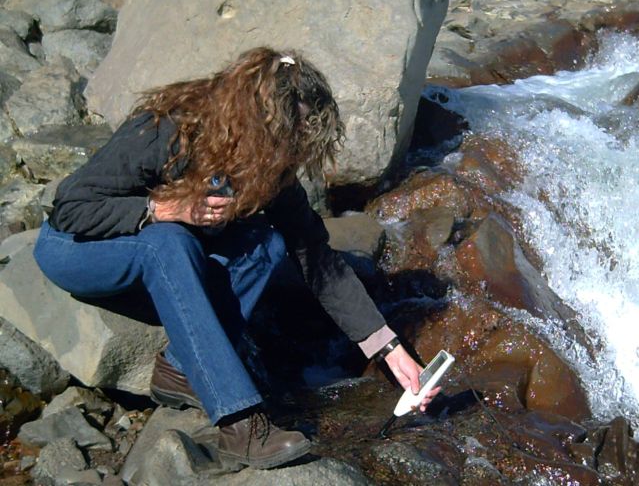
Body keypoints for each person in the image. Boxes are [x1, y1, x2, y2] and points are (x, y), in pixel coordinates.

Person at [32, 47, 439, 470]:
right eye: (286, 142)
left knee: (268, 242)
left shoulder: (267, 162)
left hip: (168, 253)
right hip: (77, 249)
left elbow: (316, 258)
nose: (289, 157)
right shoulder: (166, 131)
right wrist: (159, 210)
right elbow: (70, 208)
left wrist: (388, 348)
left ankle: (180, 369)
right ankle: (241, 425)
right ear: (254, 120)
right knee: (168, 241)